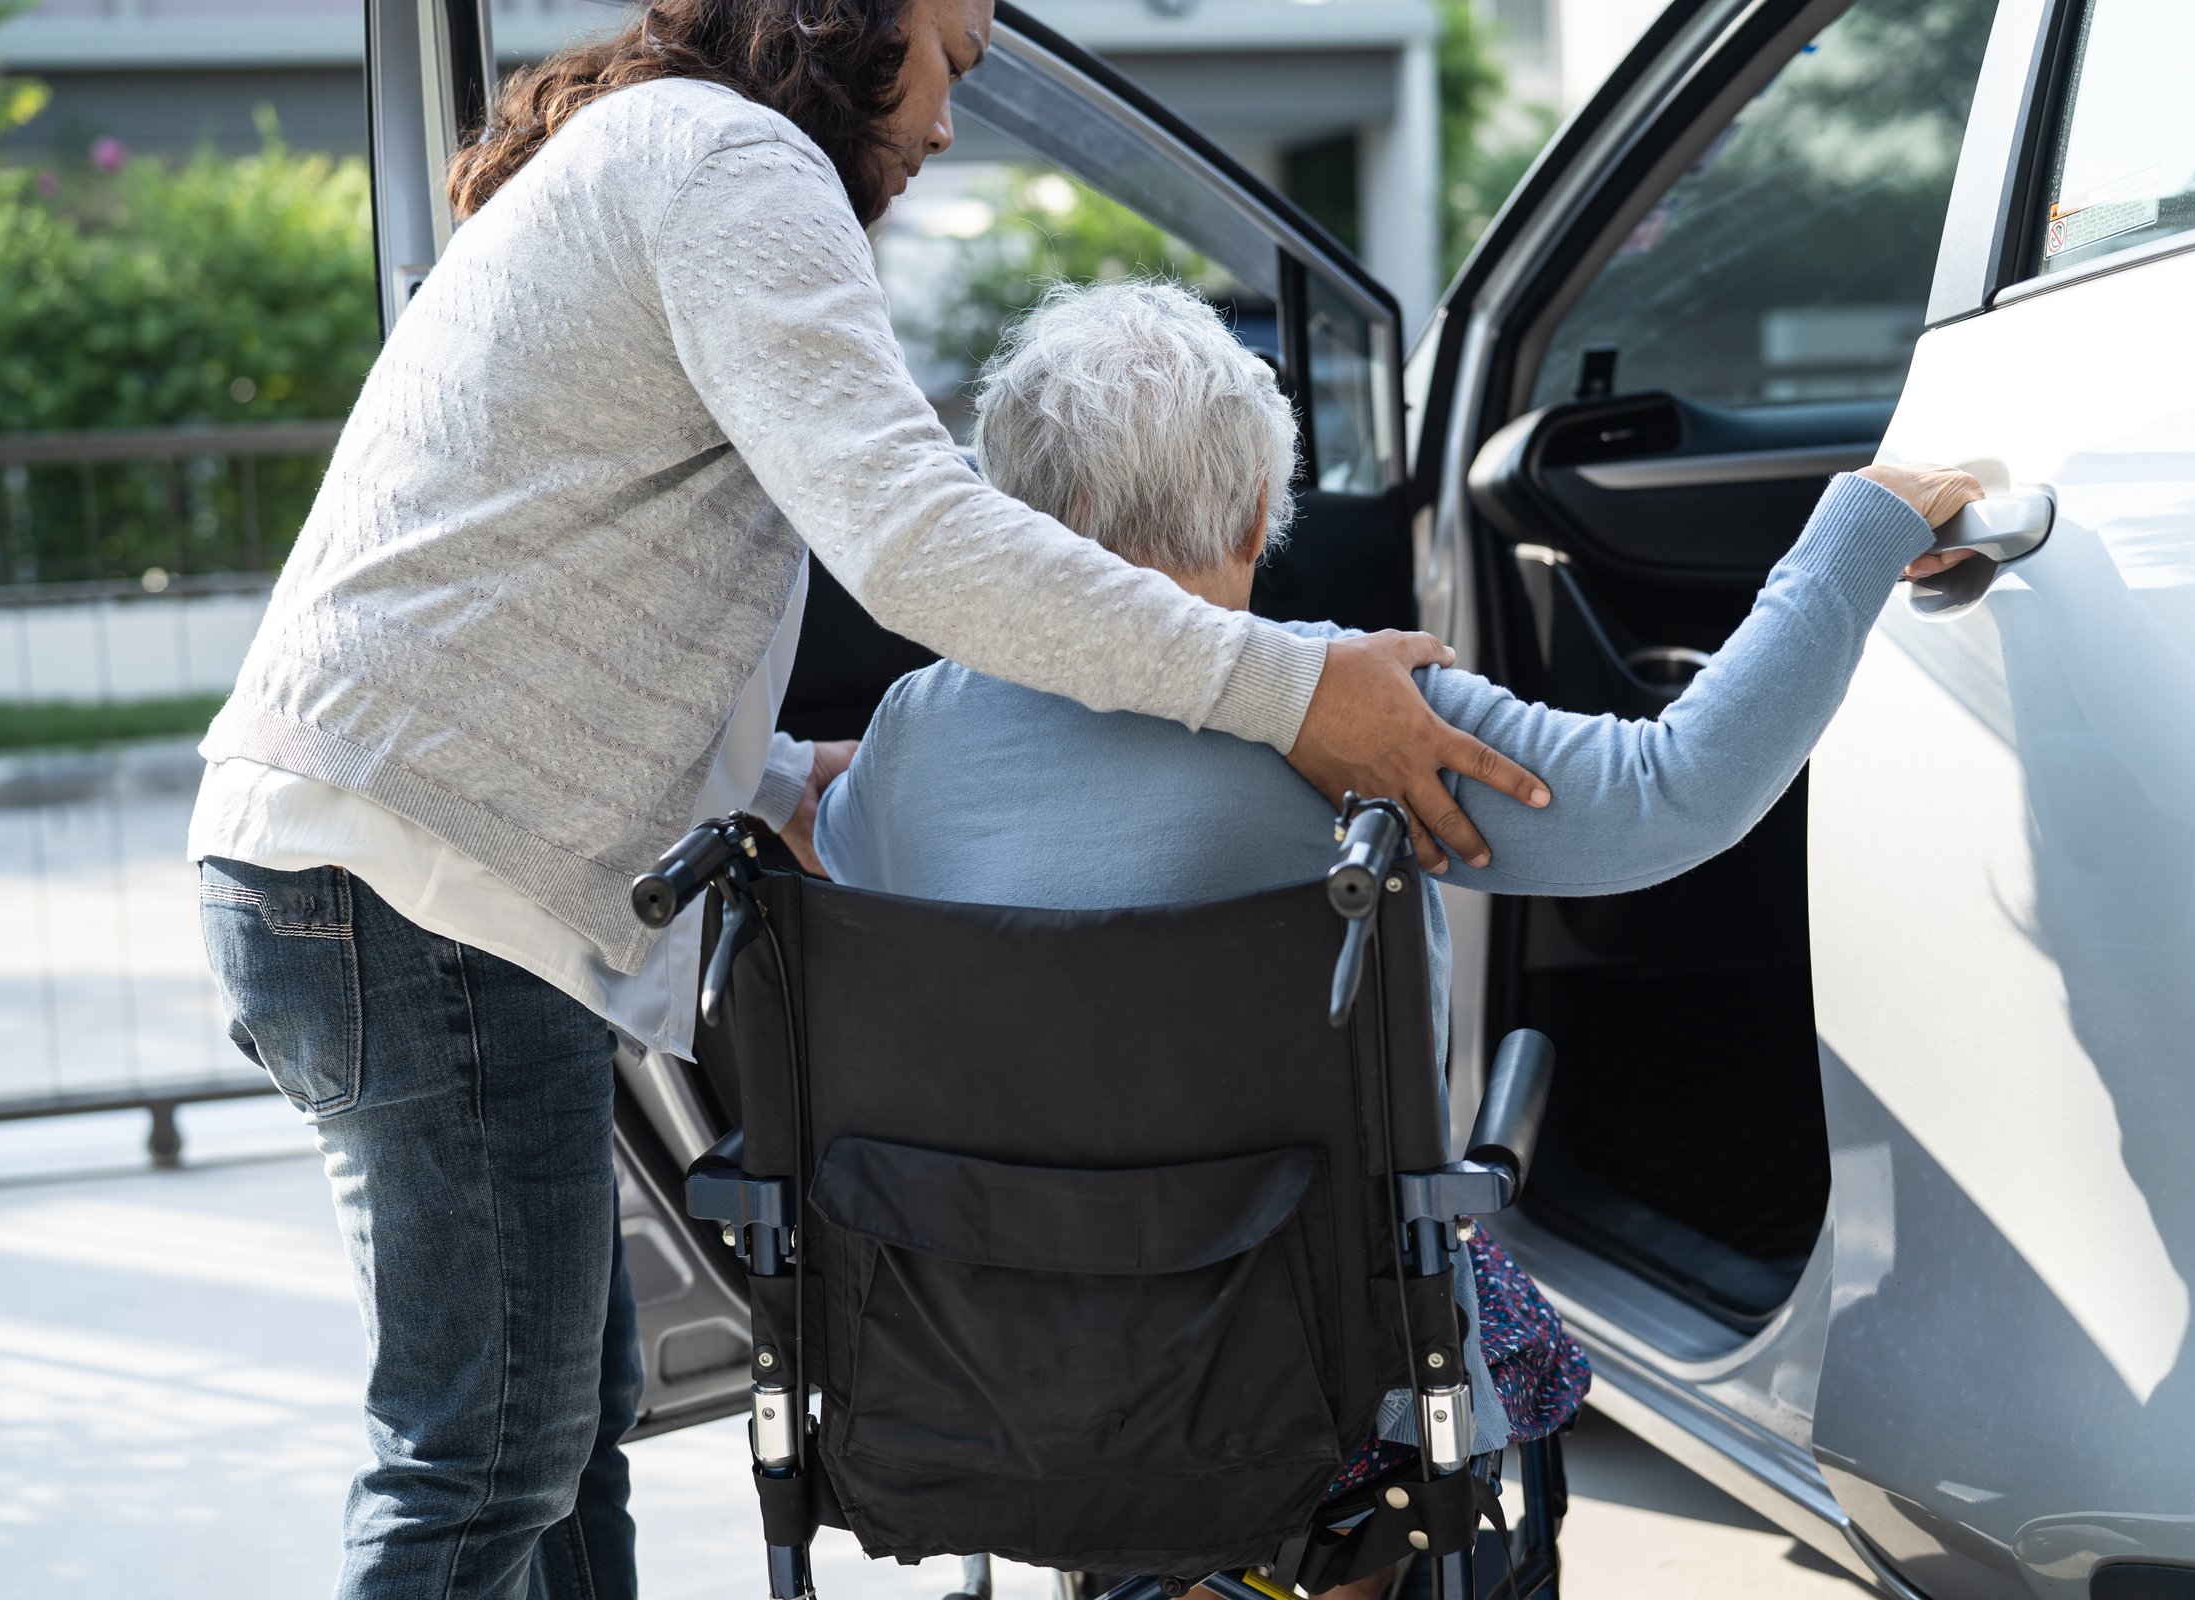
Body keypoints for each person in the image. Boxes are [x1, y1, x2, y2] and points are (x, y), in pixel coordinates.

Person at [187, 1, 1558, 1594]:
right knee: (482, 1464)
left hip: (385, 868)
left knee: (556, 1447)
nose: (950, 121)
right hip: (418, 889)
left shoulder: (665, 150)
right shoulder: (733, 157)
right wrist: (1293, 685)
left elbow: (566, 563)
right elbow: (914, 541)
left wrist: (776, 775)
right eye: (959, 60)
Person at [814, 280, 1983, 1598]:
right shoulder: (1350, 714)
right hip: (1318, 1385)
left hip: (998, 1360)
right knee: (1504, 1321)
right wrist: (1864, 525)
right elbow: (1677, 791)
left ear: (1009, 515)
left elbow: (837, 867)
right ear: (1261, 512)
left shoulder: (917, 733)